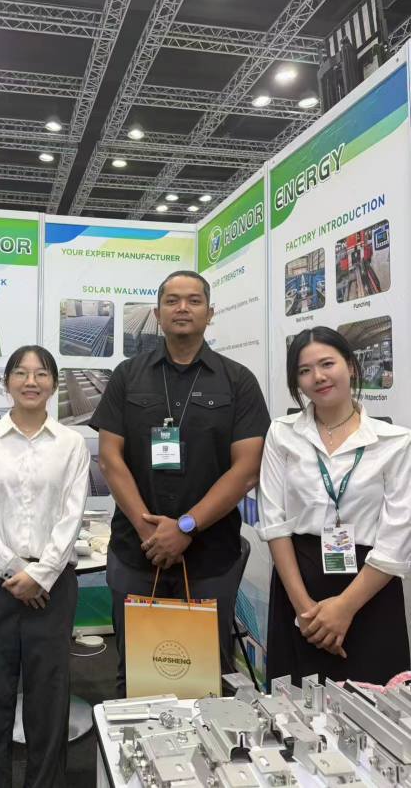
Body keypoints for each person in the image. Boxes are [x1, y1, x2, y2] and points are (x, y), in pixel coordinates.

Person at [91, 270, 270, 697]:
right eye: (172, 301)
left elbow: (247, 468)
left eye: (193, 300)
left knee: (204, 674)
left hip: (210, 557)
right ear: (157, 314)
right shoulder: (127, 376)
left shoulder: (238, 381)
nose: (182, 308)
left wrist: (186, 526)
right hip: (137, 553)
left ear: (210, 313)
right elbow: (110, 458)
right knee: (135, 671)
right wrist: (148, 529)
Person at [0, 345, 90, 788]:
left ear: (53, 384)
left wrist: (41, 574)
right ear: (6, 382)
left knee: (48, 699)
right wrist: (14, 569)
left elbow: (72, 514)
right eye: (20, 372)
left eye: (41, 373)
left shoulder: (71, 444)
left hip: (52, 587)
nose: (31, 381)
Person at [257, 326, 411, 685]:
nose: (318, 377)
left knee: (375, 704)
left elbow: (397, 538)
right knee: (294, 707)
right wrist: (305, 611)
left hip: (369, 589)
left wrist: (344, 608)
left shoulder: (395, 442)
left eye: (327, 364)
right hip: (298, 585)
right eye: (305, 370)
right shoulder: (282, 433)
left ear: (351, 367)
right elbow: (274, 522)